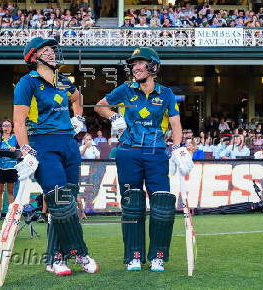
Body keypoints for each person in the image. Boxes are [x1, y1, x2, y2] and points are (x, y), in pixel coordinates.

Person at [94, 47, 193, 272]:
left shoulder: (166, 93)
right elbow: (100, 105)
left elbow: (176, 125)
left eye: (141, 63)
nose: (136, 68)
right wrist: (114, 116)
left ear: (154, 67)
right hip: (128, 152)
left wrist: (177, 148)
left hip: (156, 153)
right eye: (133, 64)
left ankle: (158, 256)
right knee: (132, 205)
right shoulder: (125, 90)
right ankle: (133, 256)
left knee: (162, 206)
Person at [13, 37, 98, 276]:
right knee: (60, 201)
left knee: (66, 203)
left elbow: (77, 98)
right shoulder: (27, 83)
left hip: (69, 144)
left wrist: (78, 117)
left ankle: (55, 259)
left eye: (52, 49)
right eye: (45, 50)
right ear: (33, 56)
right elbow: (19, 121)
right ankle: (80, 252)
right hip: (44, 144)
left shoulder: (63, 80)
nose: (51, 53)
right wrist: (26, 149)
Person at [0, 120, 19, 221]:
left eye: (9, 126)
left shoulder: (16, 138)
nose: (6, 128)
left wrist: (15, 150)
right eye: (4, 126)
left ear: (12, 128)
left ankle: (11, 214)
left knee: (10, 191)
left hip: (11, 167)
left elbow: (20, 153)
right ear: (1, 127)